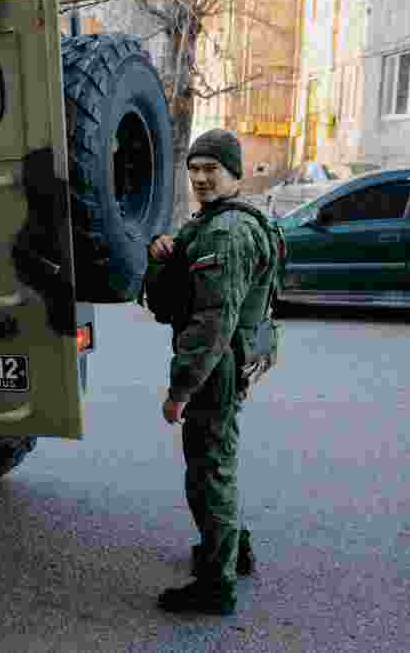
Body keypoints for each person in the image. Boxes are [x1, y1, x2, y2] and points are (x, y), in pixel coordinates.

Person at [148, 129, 279, 616]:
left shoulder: (226, 232)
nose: (201, 178)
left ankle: (215, 585)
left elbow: (212, 322)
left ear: (235, 175)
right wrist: (164, 250)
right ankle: (230, 548)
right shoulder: (219, 220)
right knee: (217, 461)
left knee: (208, 471)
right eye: (195, 169)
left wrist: (180, 390)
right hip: (232, 358)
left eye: (212, 169)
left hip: (216, 365)